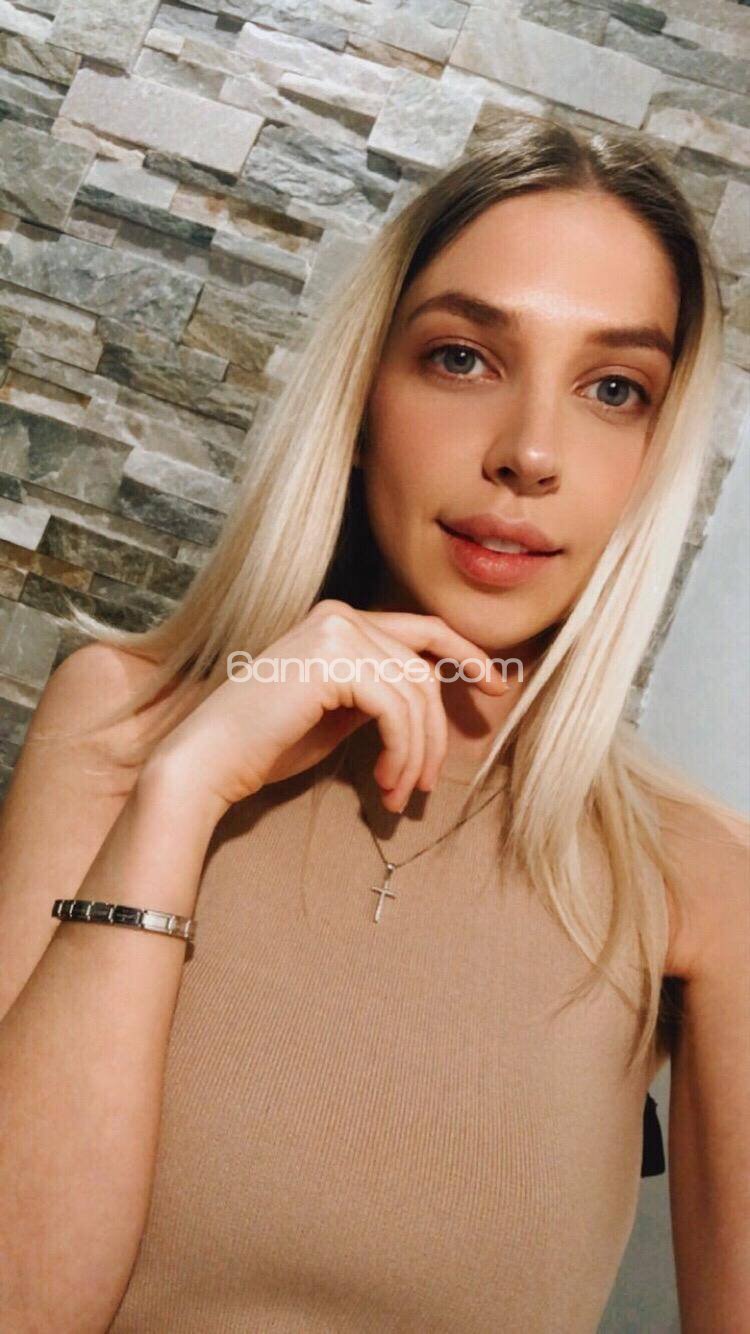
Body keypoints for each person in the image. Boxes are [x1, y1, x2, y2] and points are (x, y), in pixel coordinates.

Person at [0, 117, 747, 1333]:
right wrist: (182, 793)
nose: (530, 452)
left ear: (654, 459)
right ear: (362, 397)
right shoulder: (122, 726)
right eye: (463, 357)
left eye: (614, 389)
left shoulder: (701, 881)